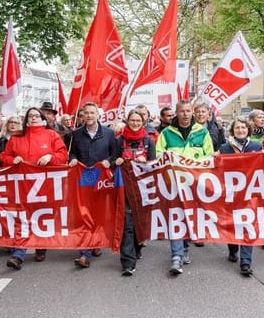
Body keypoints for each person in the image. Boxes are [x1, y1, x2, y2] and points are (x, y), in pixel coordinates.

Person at [1, 107, 68, 270]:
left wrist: (50, 157)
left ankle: (41, 246)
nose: (33, 118)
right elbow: (4, 156)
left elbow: (63, 155)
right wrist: (12, 159)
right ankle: (18, 254)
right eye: (30, 116)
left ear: (42, 119)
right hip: (22, 186)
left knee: (41, 217)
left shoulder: (51, 135)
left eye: (37, 116)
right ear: (26, 119)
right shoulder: (17, 137)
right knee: (23, 218)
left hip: (45, 187)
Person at [156, 99, 214, 275]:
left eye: (189, 111)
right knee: (176, 218)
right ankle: (176, 256)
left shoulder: (202, 132)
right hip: (173, 184)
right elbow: (159, 156)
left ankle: (185, 248)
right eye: (182, 111)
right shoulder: (166, 133)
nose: (186, 114)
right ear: (176, 112)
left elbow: (210, 156)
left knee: (189, 217)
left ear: (193, 113)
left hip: (194, 185)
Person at [68, 102, 118, 268]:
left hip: (102, 178)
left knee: (99, 214)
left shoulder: (109, 134)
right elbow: (71, 153)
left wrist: (108, 162)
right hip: (84, 177)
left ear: (98, 115)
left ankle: (96, 242)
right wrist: (72, 159)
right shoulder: (75, 134)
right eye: (86, 113)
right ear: (82, 116)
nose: (89, 116)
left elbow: (115, 154)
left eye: (92, 113)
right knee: (85, 214)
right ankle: (85, 253)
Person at [218, 116, 262, 276]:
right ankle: (232, 248)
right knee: (232, 223)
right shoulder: (224, 148)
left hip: (250, 194)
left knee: (247, 225)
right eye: (237, 128)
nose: (241, 130)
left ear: (248, 129)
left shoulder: (257, 147)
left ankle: (245, 262)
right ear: (232, 131)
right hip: (230, 194)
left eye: (243, 127)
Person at [115, 110, 156, 276]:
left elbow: (154, 164)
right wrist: (115, 161)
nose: (135, 123)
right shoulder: (118, 141)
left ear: (143, 122)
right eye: (132, 120)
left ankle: (137, 247)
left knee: (140, 221)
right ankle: (127, 262)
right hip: (124, 188)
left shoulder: (148, 141)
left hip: (142, 189)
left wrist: (145, 162)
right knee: (127, 224)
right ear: (127, 121)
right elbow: (110, 161)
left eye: (138, 120)